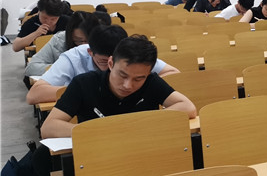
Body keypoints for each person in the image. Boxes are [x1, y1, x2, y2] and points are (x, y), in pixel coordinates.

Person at [42, 35, 196, 176]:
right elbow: (49, 126)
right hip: (95, 169)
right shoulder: (84, 83)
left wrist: (136, 125)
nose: (128, 85)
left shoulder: (151, 82)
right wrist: (98, 132)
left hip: (144, 167)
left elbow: (188, 107)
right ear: (111, 63)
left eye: (138, 79)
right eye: (122, 75)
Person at [26, 24, 179, 105]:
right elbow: (34, 95)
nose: (109, 68)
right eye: (104, 62)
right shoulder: (73, 57)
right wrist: (84, 91)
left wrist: (139, 85)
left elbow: (173, 73)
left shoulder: (130, 56)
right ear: (90, 52)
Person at [24, 11, 109, 79]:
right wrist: (64, 68)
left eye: (88, 41)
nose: (84, 45)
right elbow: (31, 68)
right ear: (70, 36)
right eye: (79, 40)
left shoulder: (105, 40)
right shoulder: (60, 40)